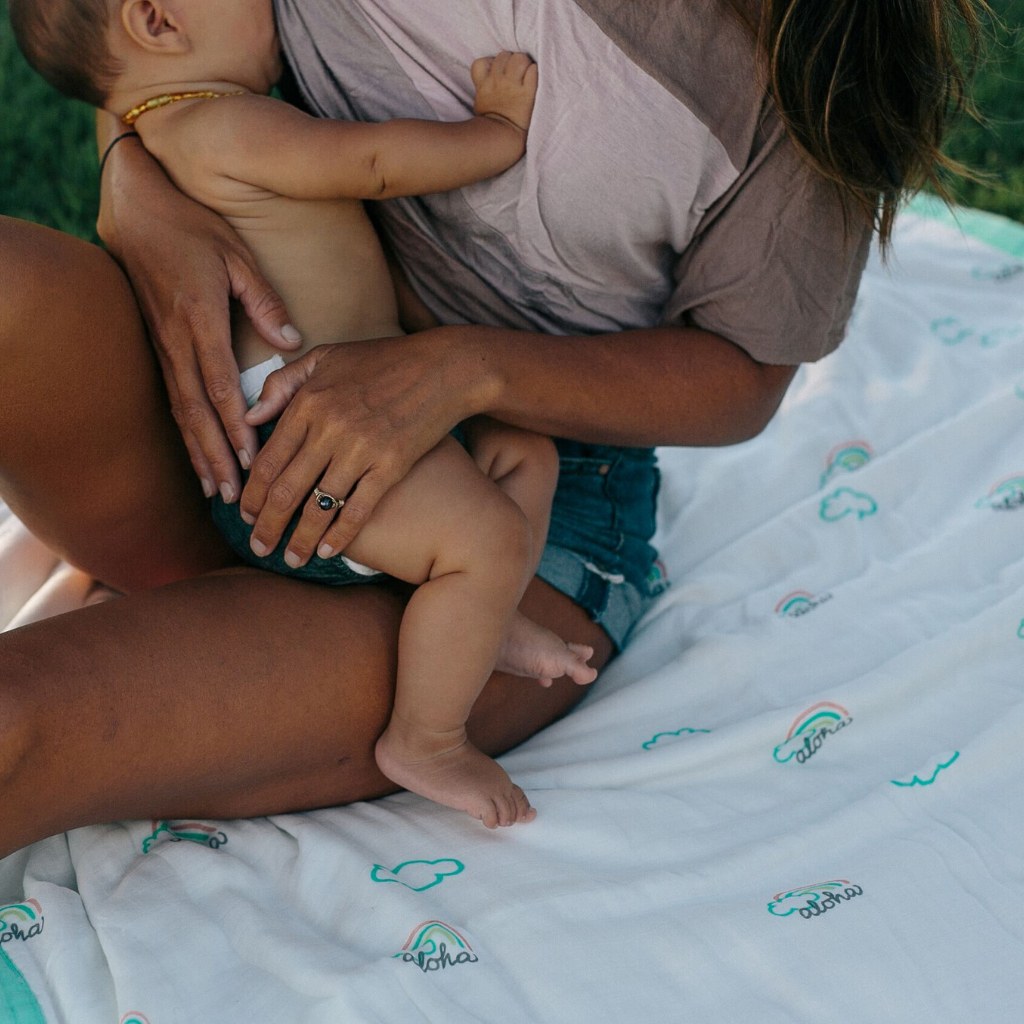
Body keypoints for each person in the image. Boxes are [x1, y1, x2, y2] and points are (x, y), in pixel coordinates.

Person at [0, 0, 986, 858]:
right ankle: (217, 593)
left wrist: (462, 369)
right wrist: (134, 173)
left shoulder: (811, 68)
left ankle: (349, 659)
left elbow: (745, 378)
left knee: (22, 723)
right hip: (230, 394)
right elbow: (139, 44)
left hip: (516, 505)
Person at [11, 0, 606, 828]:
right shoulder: (222, 128)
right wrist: (496, 133)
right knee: (487, 538)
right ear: (156, 20)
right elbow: (368, 162)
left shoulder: (172, 137)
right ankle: (427, 736)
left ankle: (486, 617)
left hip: (336, 418)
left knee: (524, 457)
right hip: (302, 447)